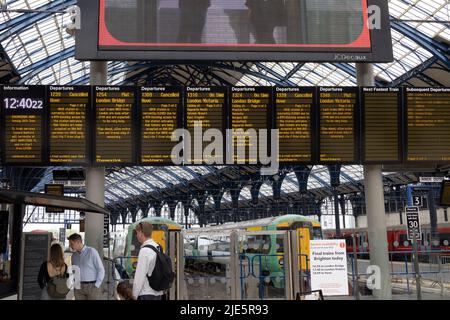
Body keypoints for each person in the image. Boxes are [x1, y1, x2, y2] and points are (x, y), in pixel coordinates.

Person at [132, 222, 165, 300]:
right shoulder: (158, 247)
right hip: (158, 293)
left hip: (146, 294)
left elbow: (139, 277)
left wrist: (133, 296)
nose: (136, 236)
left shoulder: (144, 251)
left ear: (140, 233)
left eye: (136, 233)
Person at [68, 233, 105, 300]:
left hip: (92, 286)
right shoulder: (74, 256)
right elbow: (74, 271)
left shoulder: (92, 251)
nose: (70, 246)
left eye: (71, 243)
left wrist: (97, 285)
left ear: (78, 242)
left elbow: (101, 269)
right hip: (78, 287)